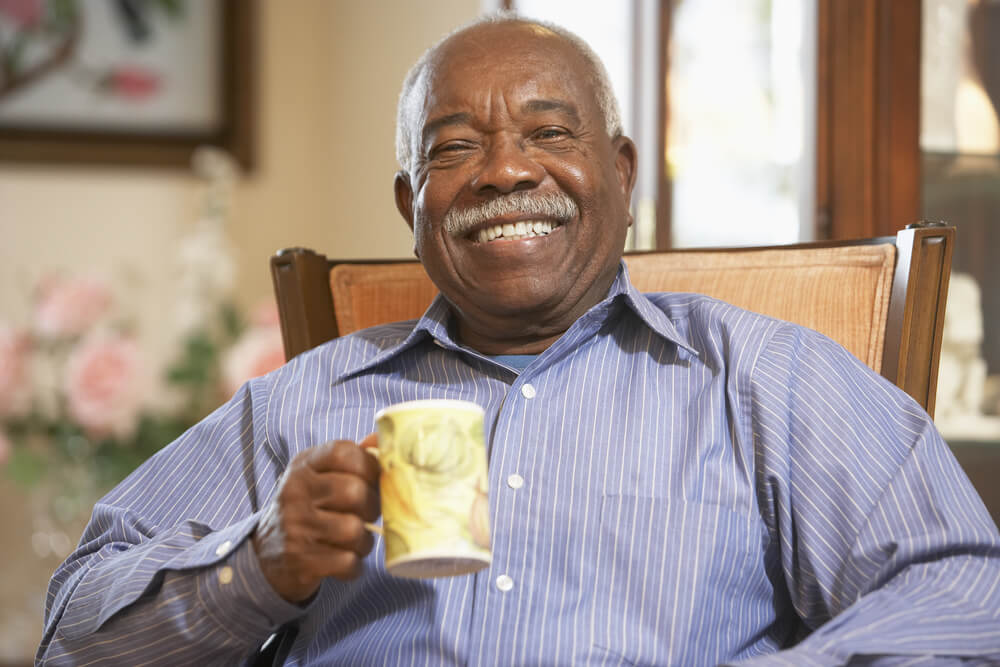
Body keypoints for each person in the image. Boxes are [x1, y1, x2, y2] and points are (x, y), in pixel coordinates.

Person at [39, 14, 1000, 667]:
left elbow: (964, 593)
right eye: (454, 147)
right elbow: (71, 634)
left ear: (620, 175)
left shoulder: (764, 377)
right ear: (413, 205)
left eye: (549, 132)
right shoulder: (304, 402)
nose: (503, 170)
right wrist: (258, 566)